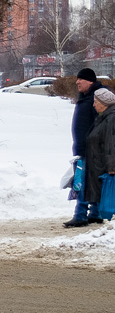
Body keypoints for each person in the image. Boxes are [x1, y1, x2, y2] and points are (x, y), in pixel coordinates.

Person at [67, 68, 99, 228]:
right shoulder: (86, 97)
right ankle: (95, 213)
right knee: (91, 180)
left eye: (81, 79)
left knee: (83, 181)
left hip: (91, 148)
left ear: (90, 81)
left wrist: (93, 143)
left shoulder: (97, 97)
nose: (77, 82)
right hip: (82, 147)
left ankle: (80, 215)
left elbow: (101, 123)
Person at [82, 88, 115, 221]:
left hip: (104, 168)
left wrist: (112, 168)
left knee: (107, 198)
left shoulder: (111, 119)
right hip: (99, 165)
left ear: (104, 103)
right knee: (103, 198)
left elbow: (111, 143)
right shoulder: (103, 117)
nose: (94, 105)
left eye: (96, 102)